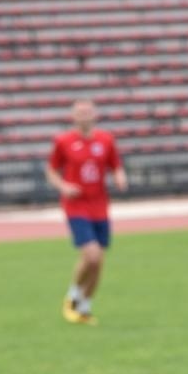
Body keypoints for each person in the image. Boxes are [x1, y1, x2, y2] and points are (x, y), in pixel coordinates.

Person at [46, 99, 126, 325]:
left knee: (98, 262)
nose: (84, 116)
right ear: (73, 116)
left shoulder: (106, 140)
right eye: (80, 112)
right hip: (76, 206)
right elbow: (51, 171)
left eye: (88, 112)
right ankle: (72, 297)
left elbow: (115, 165)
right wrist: (63, 186)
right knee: (92, 255)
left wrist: (120, 177)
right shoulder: (63, 141)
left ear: (95, 115)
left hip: (99, 205)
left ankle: (85, 307)